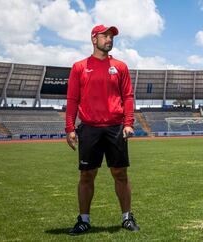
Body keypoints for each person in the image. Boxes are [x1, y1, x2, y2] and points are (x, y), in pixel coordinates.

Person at [65, 24, 139, 235]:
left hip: (115, 127)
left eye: (111, 36)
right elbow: (72, 99)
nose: (109, 39)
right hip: (89, 128)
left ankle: (126, 217)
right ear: (93, 39)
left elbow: (128, 97)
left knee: (120, 173)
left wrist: (128, 123)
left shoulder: (121, 67)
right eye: (104, 36)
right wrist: (70, 127)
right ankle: (84, 220)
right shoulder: (79, 67)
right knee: (87, 175)